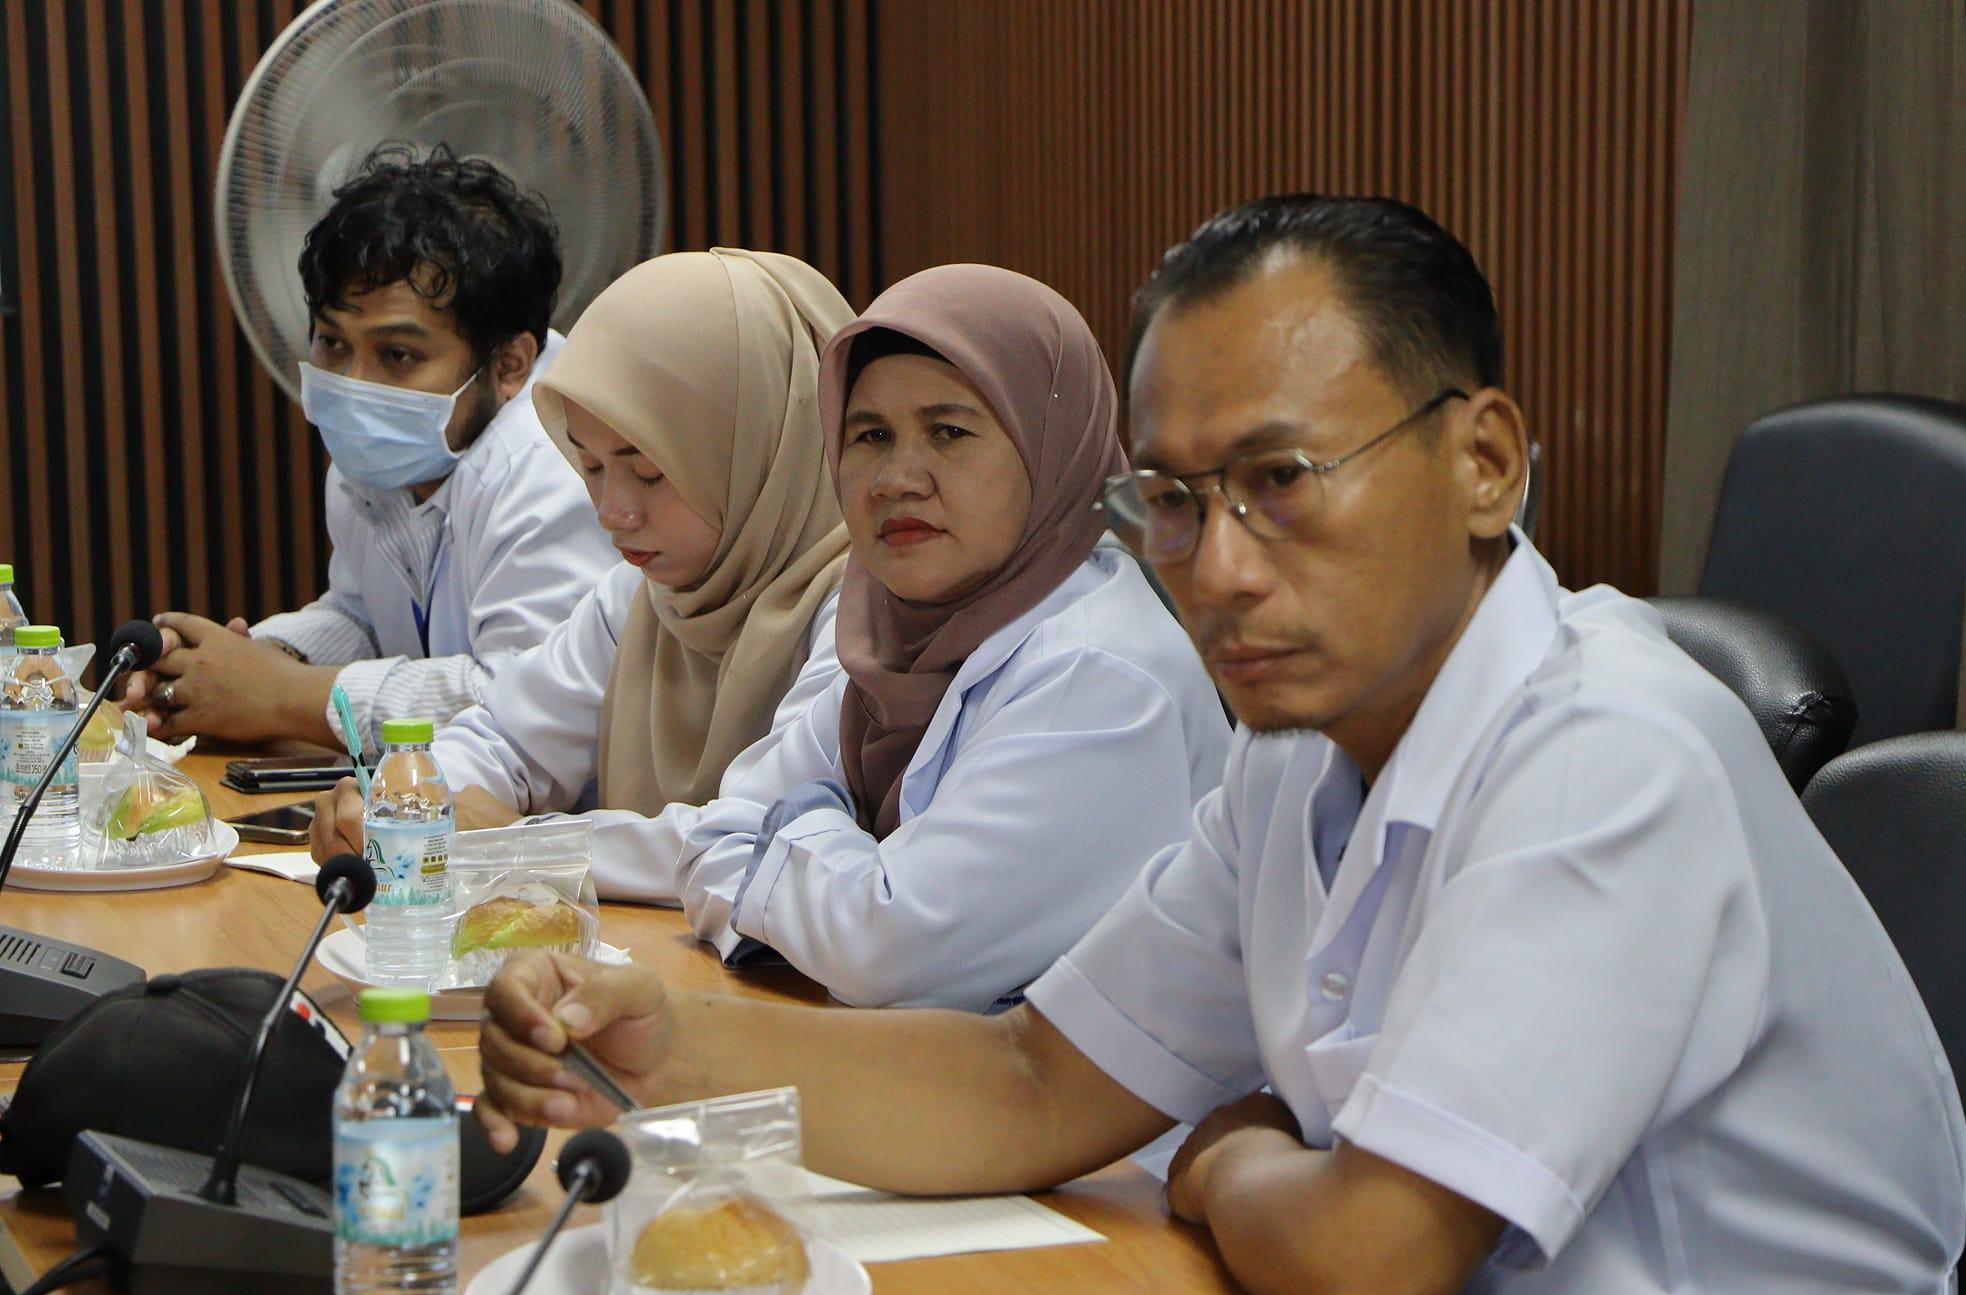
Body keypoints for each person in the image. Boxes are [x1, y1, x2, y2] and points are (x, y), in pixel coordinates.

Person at [474, 197, 1966, 1295]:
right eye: (1176, 501)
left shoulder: (1607, 756)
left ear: (1486, 461)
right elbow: (1030, 1082)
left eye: (1280, 481)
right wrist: (666, 1041)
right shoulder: (1298, 750)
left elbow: (1368, 1260)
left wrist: (1226, 1164)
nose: (1221, 570)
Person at [673, 264, 1231, 1010]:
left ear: (1051, 447)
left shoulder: (1101, 674)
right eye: (871, 435)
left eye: (949, 432)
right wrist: (828, 873)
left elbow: (888, 951)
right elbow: (712, 839)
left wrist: (800, 822)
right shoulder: (895, 640)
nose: (897, 478)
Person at [309, 249, 854, 905]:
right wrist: (409, 794)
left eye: (649, 471)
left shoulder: (863, 615)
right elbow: (507, 741)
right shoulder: (642, 599)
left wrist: (524, 844)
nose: (612, 511)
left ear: (758, 446)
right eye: (591, 467)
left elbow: (755, 841)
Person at [125, 147, 613, 752]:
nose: (354, 386)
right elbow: (363, 617)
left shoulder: (562, 467)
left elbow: (525, 703)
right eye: (332, 343)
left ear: (509, 364)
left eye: (398, 355)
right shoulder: (387, 451)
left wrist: (281, 694)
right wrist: (240, 662)